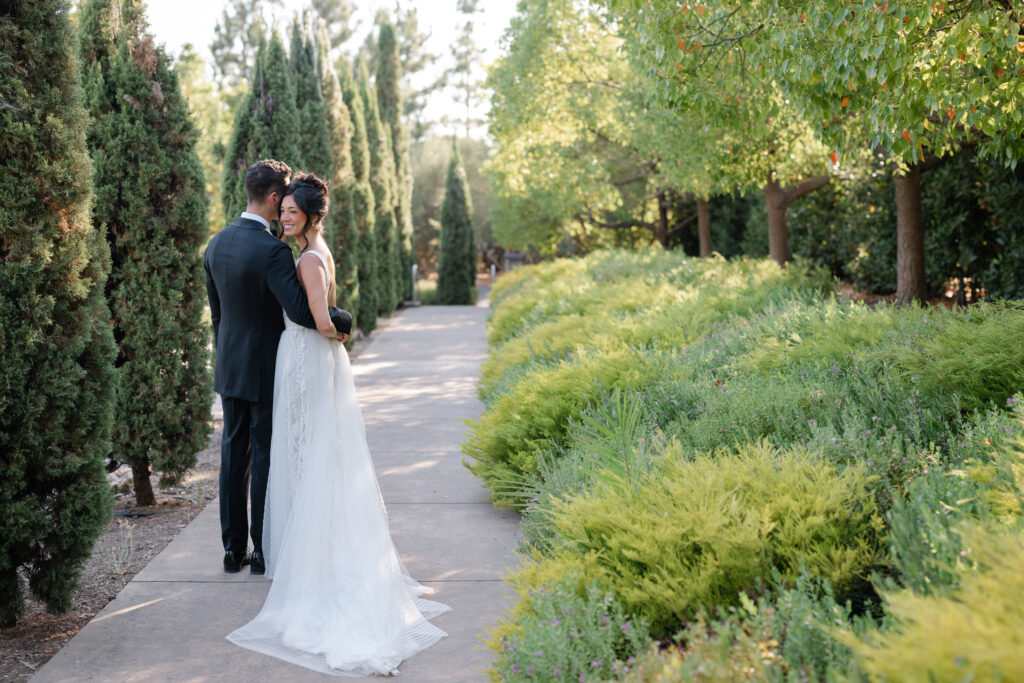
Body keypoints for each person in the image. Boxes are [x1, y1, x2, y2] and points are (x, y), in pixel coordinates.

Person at [226, 173, 449, 676]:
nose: (284, 218)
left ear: (310, 216)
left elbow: (319, 318)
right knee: (320, 448)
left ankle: (310, 557)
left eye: (291, 213)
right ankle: (313, 545)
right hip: (315, 357)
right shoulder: (319, 250)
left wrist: (336, 332)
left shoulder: (303, 257)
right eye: (281, 211)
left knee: (305, 450)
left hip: (306, 353)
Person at [204, 160, 352, 575]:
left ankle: (232, 550)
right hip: (267, 367)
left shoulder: (215, 244)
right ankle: (262, 549)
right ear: (273, 198)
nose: (285, 208)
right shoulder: (273, 250)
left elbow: (217, 316)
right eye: (283, 201)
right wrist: (342, 321)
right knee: (266, 454)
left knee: (233, 456)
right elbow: (303, 313)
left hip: (230, 365)